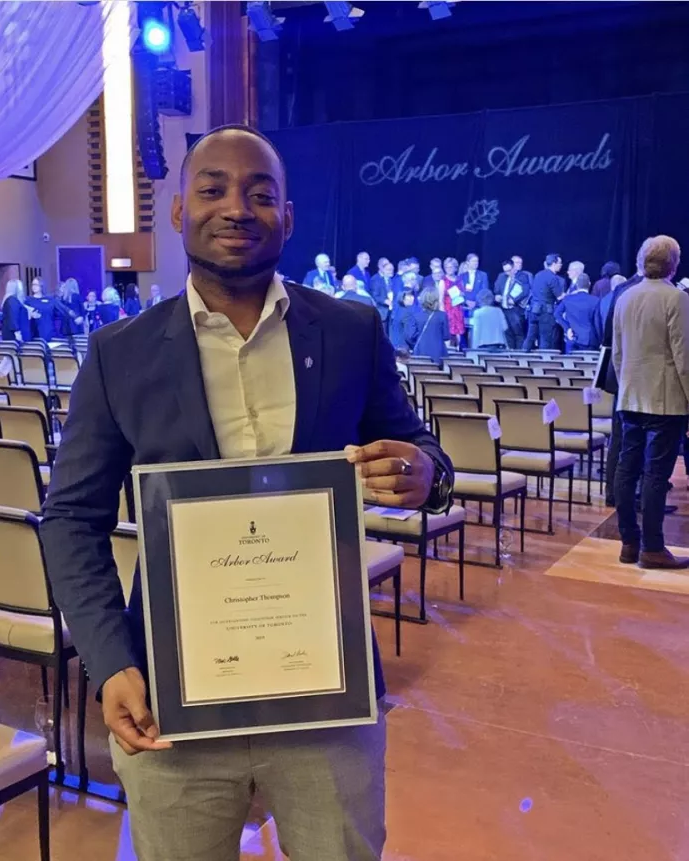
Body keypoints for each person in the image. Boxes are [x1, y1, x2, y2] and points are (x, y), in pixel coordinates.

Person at [40, 124, 452, 861]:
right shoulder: (119, 355)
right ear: (176, 210)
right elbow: (70, 518)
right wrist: (110, 661)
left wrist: (426, 474)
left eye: (262, 194)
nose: (238, 207)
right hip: (170, 696)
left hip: (327, 691)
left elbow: (423, 450)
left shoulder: (352, 330)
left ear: (288, 218)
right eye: (213, 188)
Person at [613, 235, 689, 569]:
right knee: (656, 474)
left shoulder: (625, 297)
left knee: (626, 471)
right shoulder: (677, 298)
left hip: (630, 396)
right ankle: (654, 548)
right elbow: (683, 357)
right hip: (665, 400)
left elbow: (617, 353)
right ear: (673, 263)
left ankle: (629, 543)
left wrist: (627, 385)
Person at [600, 268, 644, 506]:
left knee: (618, 437)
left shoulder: (620, 289)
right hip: (643, 376)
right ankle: (637, 496)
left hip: (619, 374)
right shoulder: (660, 292)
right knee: (642, 439)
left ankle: (613, 493)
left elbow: (607, 337)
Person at [522, 253, 563, 350]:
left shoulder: (538, 275)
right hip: (546, 313)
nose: (561, 265)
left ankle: (522, 357)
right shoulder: (553, 278)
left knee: (530, 337)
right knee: (545, 339)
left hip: (533, 311)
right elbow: (559, 297)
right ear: (553, 263)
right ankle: (543, 362)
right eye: (559, 263)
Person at [555, 273, 600, 352]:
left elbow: (557, 314)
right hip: (590, 340)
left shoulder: (568, 299)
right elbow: (598, 322)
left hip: (572, 338)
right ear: (589, 284)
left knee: (571, 363)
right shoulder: (596, 301)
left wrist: (567, 328)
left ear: (576, 285)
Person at [494, 259, 529, 349]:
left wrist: (515, 299)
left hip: (515, 309)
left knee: (518, 333)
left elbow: (525, 290)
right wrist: (497, 295)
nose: (507, 273)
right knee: (507, 332)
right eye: (505, 271)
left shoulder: (522, 276)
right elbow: (497, 289)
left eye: (509, 270)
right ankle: (510, 353)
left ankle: (519, 355)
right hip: (504, 309)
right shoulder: (501, 276)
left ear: (514, 267)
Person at [411, 287, 450, 365]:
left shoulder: (416, 316)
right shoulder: (442, 315)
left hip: (420, 351)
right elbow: (446, 336)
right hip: (439, 353)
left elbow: (411, 336)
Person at [593, 273, 626, 346]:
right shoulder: (626, 298)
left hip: (606, 342)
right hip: (623, 342)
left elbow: (597, 322)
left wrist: (602, 340)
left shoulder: (602, 300)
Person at [440, 257, 465, 347]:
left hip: (458, 309)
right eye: (447, 267)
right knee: (449, 333)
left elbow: (463, 293)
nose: (449, 269)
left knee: (459, 333)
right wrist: (442, 313)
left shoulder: (459, 280)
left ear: (455, 268)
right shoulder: (443, 281)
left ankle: (458, 351)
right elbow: (440, 299)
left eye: (451, 267)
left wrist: (462, 295)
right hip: (447, 310)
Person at [25, 276, 56, 341]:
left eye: (36, 285)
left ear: (41, 286)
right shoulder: (27, 300)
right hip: (33, 331)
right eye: (33, 284)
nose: (34, 286)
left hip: (47, 331)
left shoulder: (50, 300)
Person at [369, 260, 394, 328]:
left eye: (392, 270)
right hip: (382, 311)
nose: (391, 271)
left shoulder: (391, 280)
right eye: (389, 270)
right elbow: (374, 296)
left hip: (391, 311)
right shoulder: (376, 280)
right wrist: (384, 301)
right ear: (383, 269)